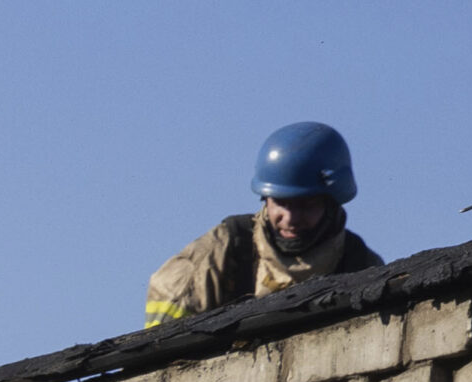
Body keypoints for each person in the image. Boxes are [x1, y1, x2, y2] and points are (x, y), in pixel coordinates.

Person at [145, 122, 380, 325]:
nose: (290, 218)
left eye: (306, 205)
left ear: (332, 204)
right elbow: (164, 352)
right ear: (265, 198)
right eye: (281, 203)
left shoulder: (361, 266)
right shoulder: (225, 250)